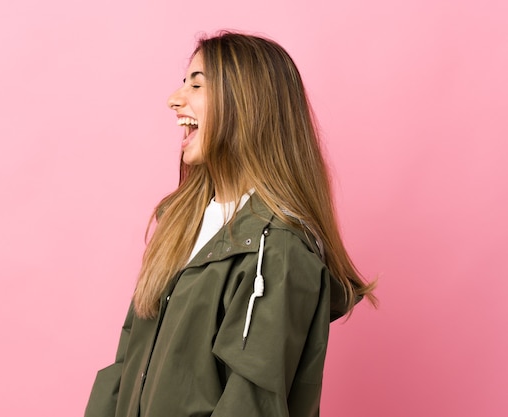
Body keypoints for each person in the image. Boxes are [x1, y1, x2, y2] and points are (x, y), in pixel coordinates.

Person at [84, 31, 377, 417]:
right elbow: (125, 365)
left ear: (245, 104)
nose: (174, 99)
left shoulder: (278, 251)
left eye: (196, 84)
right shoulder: (177, 223)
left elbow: (252, 404)